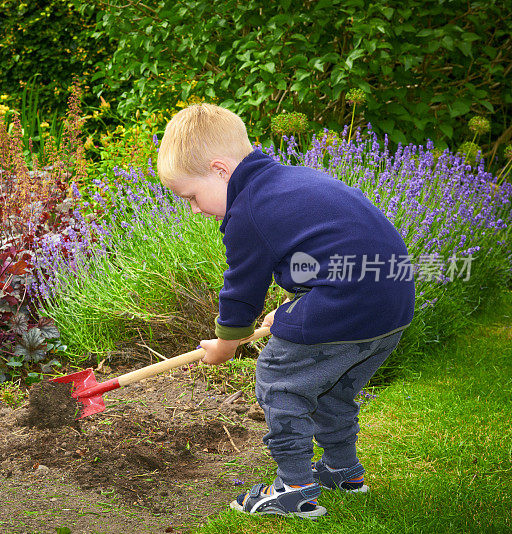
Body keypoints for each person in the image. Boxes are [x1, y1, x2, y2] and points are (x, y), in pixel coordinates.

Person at [156, 103, 415, 519]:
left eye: (191, 196)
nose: (195, 209)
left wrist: (227, 343)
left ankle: (294, 489)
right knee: (334, 387)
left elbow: (242, 289)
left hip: (346, 303)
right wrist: (298, 309)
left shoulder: (249, 211)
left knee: (280, 381)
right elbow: (327, 253)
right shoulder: (293, 180)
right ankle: (342, 470)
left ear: (221, 171)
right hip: (392, 301)